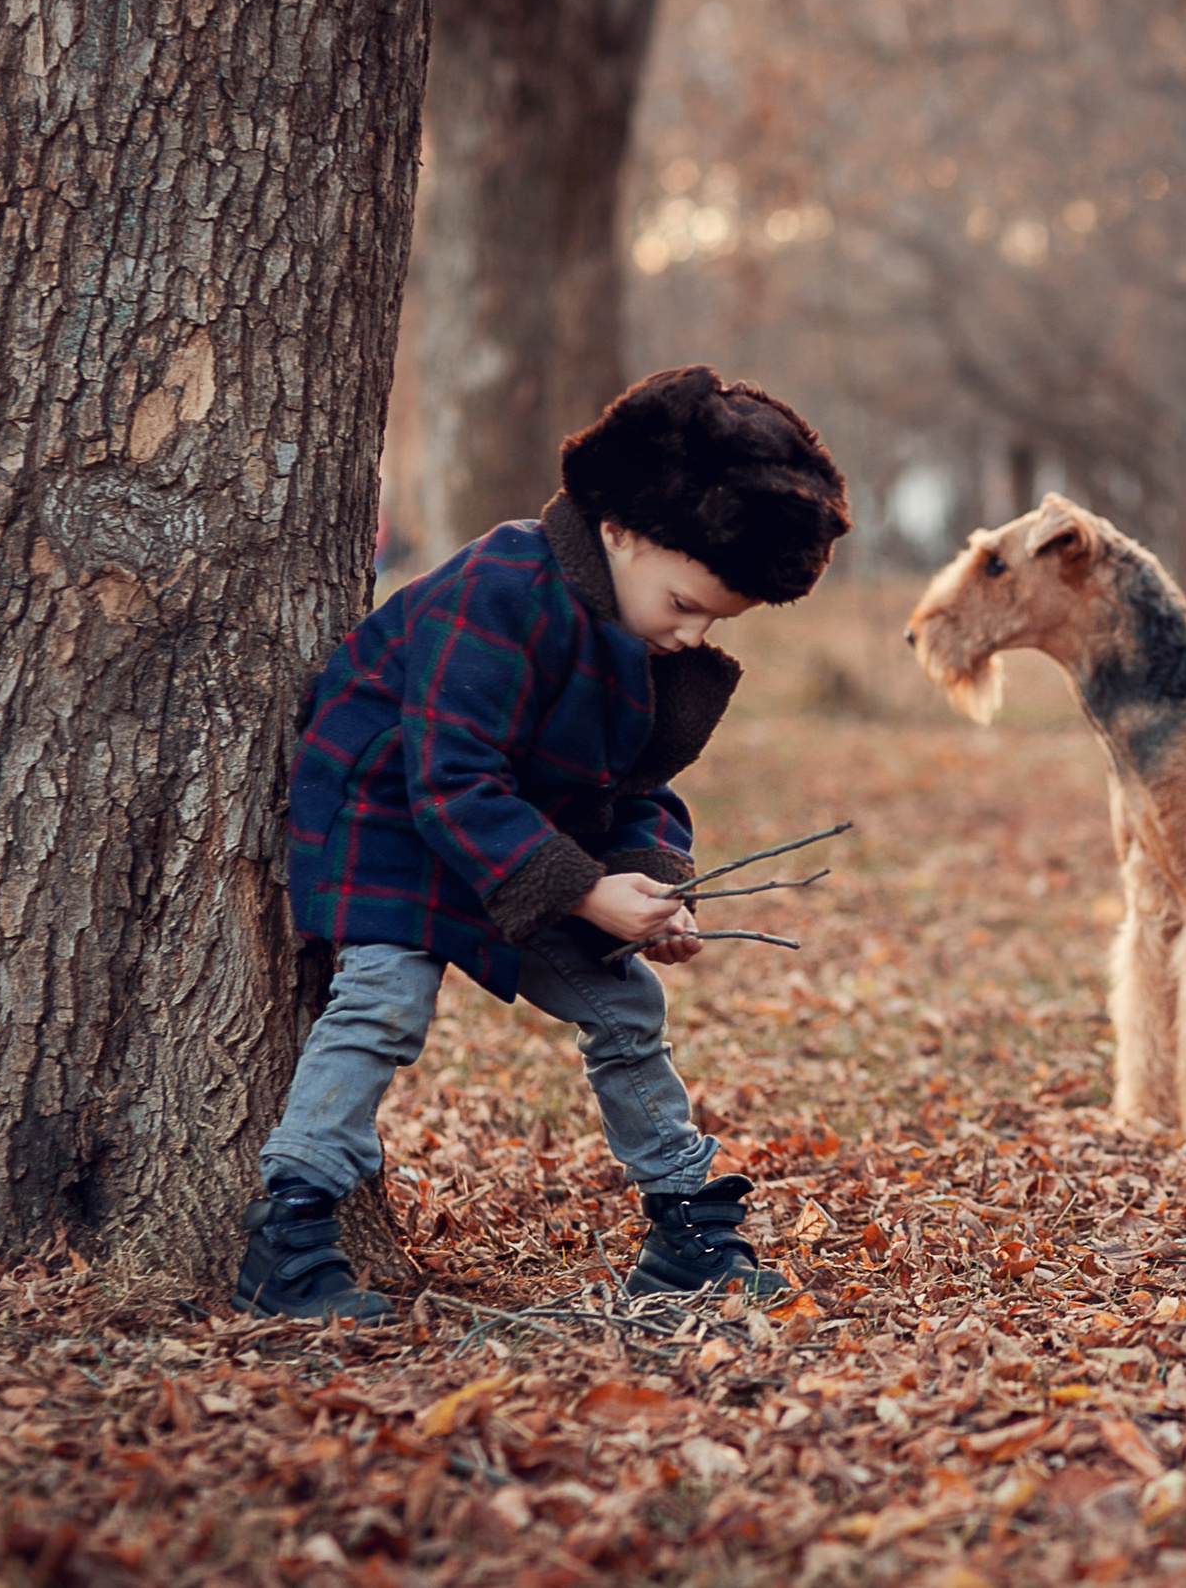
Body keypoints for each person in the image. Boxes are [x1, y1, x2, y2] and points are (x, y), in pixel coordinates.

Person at [235, 366, 850, 1321]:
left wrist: (647, 888)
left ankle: (687, 1226)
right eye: (685, 604)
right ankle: (293, 1234)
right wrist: (582, 891)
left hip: (522, 845)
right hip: (391, 824)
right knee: (382, 1005)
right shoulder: (500, 588)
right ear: (621, 532)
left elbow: (631, 786)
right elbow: (448, 776)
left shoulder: (635, 640)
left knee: (623, 998)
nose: (691, 635)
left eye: (715, 621)